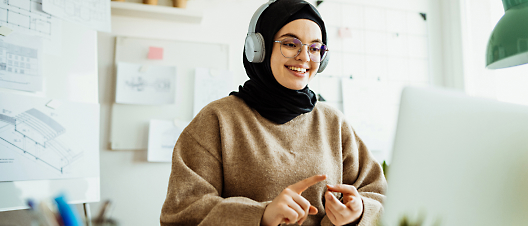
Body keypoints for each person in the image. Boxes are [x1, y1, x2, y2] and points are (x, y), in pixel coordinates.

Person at [160, 0, 387, 225]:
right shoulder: (216, 120)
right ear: (259, 48)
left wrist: (359, 213)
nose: (305, 57)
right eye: (290, 44)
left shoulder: (333, 122)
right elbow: (180, 213)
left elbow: (381, 197)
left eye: (315, 48)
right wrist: (262, 216)